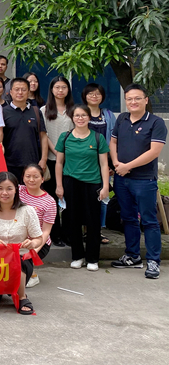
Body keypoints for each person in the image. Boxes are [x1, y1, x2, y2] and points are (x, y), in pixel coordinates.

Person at [109, 83, 166, 279]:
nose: (133, 102)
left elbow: (154, 151)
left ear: (146, 100)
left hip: (144, 180)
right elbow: (113, 142)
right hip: (122, 179)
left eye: (137, 98)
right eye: (129, 99)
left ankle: (153, 261)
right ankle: (132, 256)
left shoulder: (156, 122)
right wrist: (116, 162)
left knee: (149, 221)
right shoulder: (122, 119)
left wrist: (128, 166)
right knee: (129, 218)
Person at [0, 171, 44, 314]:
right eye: (0, 188)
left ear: (16, 190)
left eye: (9, 188)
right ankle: (2, 289)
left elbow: (39, 238)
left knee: (18, 263)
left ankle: (22, 296)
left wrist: (32, 244)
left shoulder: (27, 211)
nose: (5, 193)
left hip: (20, 258)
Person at [55, 104, 110, 271]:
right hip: (70, 183)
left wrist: (105, 186)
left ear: (89, 118)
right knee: (73, 220)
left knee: (93, 221)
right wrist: (59, 185)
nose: (80, 118)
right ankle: (77, 256)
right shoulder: (65, 137)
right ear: (72, 118)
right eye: (77, 115)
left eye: (83, 115)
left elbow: (104, 164)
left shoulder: (98, 138)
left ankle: (92, 258)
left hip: (92, 183)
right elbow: (59, 163)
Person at [82, 82, 117, 241]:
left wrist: (112, 163)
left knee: (102, 195)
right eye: (90, 93)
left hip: (104, 161)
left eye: (97, 93)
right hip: (85, 162)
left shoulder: (108, 115)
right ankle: (85, 229)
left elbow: (114, 140)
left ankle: (98, 230)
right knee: (85, 197)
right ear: (85, 96)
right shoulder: (80, 112)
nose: (94, 96)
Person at [42, 76, 74, 246]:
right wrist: (56, 151)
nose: (60, 90)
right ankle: (55, 234)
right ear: (52, 90)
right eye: (57, 87)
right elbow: (44, 135)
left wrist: (65, 153)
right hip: (51, 159)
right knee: (52, 198)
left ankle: (69, 233)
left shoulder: (73, 110)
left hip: (70, 160)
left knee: (69, 198)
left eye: (64, 87)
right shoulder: (44, 110)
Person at [2, 78, 48, 182]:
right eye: (17, 89)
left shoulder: (36, 111)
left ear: (28, 92)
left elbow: (43, 136)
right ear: (11, 92)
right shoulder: (3, 112)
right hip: (10, 164)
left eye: (23, 89)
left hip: (33, 163)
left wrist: (43, 159)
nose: (20, 92)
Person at [19, 164, 56, 287]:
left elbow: (46, 231)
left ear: (42, 179)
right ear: (23, 178)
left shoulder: (49, 202)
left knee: (20, 260)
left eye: (35, 177)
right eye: (28, 176)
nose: (31, 180)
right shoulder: (17, 191)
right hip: (17, 237)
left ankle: (32, 275)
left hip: (38, 242)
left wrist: (34, 251)